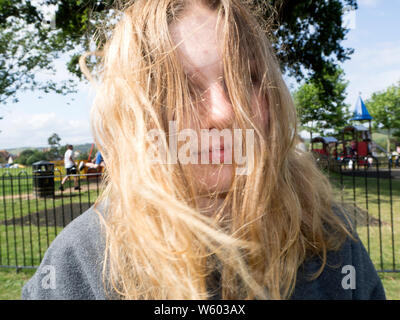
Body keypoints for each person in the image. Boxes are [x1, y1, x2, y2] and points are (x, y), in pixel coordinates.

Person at [22, 0, 385, 300]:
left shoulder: (330, 243)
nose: (224, 112)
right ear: (137, 111)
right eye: (184, 87)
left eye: (246, 79)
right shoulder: (79, 262)